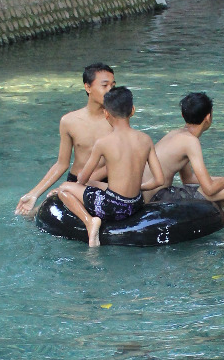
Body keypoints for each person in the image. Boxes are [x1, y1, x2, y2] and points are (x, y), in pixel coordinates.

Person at [56, 85, 166, 246]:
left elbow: (82, 179)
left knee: (64, 189)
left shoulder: (103, 143)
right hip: (136, 204)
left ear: (106, 113)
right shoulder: (145, 139)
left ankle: (89, 222)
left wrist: (80, 181)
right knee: (94, 184)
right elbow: (159, 180)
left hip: (112, 209)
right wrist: (138, 188)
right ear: (132, 110)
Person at [150, 92, 224, 221]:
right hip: (158, 199)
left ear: (183, 115)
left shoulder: (176, 134)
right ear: (208, 117)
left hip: (153, 195)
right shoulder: (191, 142)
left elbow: (188, 179)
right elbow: (209, 189)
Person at [15, 62, 115, 216]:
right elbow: (62, 164)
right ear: (88, 87)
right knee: (33, 213)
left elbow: (117, 162)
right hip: (75, 179)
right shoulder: (69, 121)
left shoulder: (116, 119)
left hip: (102, 182)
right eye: (104, 85)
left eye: (112, 86)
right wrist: (34, 193)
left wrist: (79, 184)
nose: (110, 90)